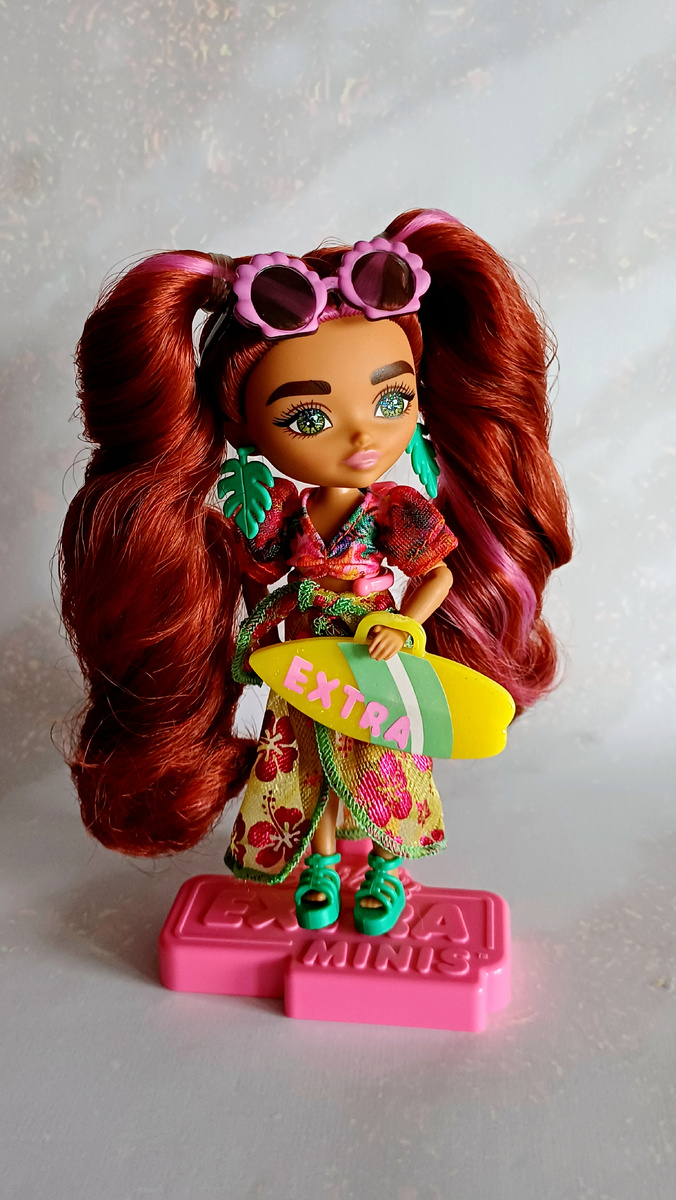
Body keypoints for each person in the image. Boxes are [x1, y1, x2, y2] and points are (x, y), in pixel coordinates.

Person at [59, 209, 572, 936]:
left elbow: (438, 578)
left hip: (378, 657)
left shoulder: (398, 511)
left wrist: (404, 625)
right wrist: (244, 628)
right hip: (305, 664)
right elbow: (256, 577)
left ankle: (385, 868)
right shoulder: (280, 515)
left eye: (392, 400)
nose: (363, 432)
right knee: (305, 766)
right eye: (307, 417)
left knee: (385, 762)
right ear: (241, 428)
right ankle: (322, 867)